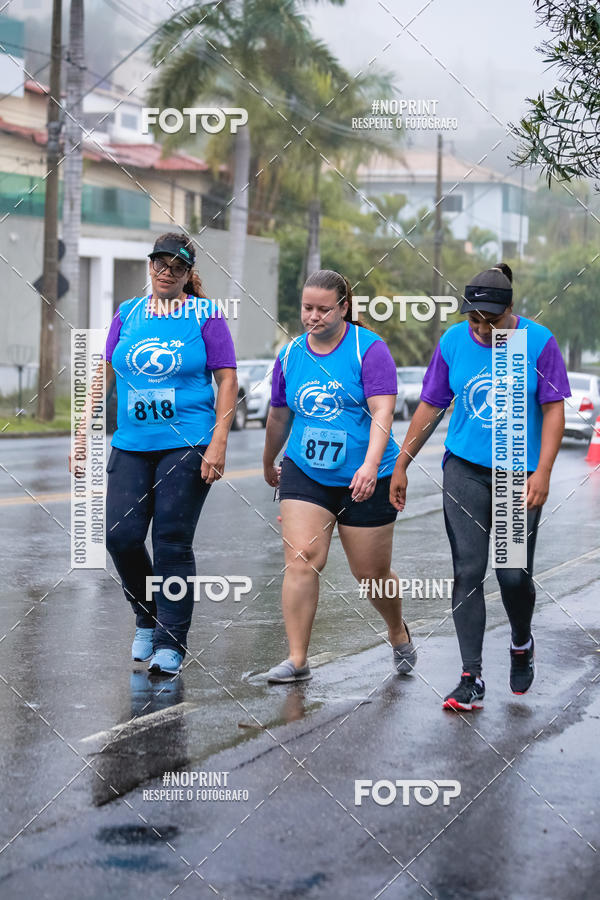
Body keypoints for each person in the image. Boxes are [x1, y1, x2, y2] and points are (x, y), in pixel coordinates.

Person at [390, 265, 570, 710]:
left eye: (491, 320)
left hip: (515, 472)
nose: (482, 329)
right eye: (474, 320)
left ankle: (521, 641)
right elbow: (432, 405)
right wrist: (402, 464)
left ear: (511, 310)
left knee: (512, 575)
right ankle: (471, 676)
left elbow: (552, 410)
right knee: (469, 571)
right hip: (465, 469)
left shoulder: (536, 342)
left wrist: (543, 470)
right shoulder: (453, 341)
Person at [91, 232, 237, 674]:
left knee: (172, 541)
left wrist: (219, 441)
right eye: (159, 263)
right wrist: (83, 430)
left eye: (176, 266)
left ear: (189, 273)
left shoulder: (206, 315)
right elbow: (104, 373)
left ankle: (172, 641)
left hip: (187, 441)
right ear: (150, 265)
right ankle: (146, 616)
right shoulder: (127, 313)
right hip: (132, 442)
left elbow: (227, 381)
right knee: (121, 537)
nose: (166, 272)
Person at [262, 269, 416, 683]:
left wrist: (369, 465)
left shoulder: (370, 349)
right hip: (306, 470)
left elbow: (382, 412)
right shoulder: (291, 354)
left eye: (323, 309)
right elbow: (278, 415)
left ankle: (397, 631)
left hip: (367, 475)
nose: (313, 317)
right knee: (302, 559)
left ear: (344, 307)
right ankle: (297, 659)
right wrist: (267, 460)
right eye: (307, 308)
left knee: (371, 575)